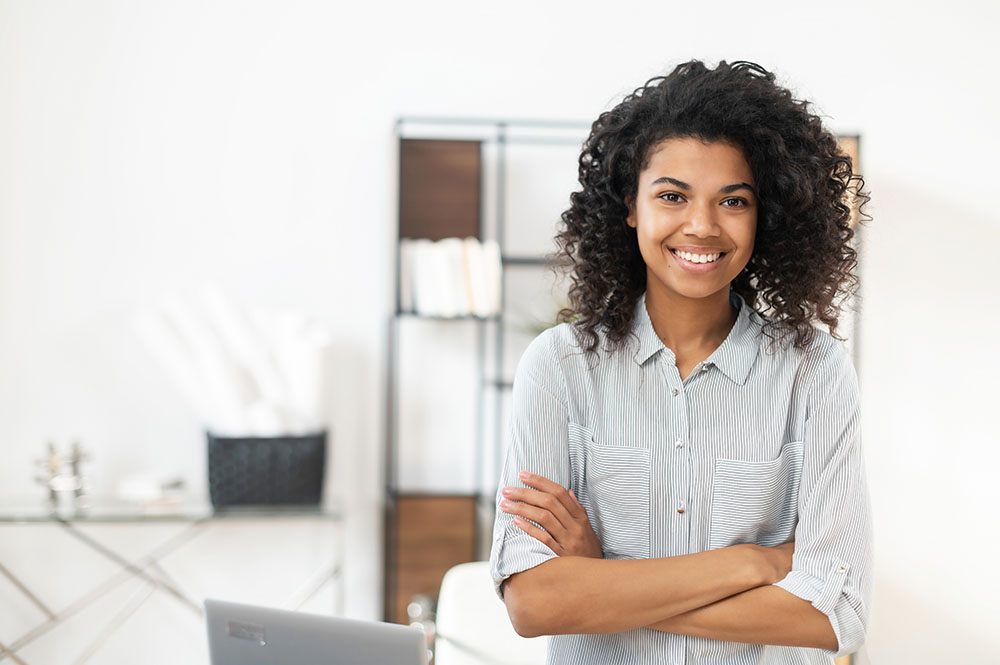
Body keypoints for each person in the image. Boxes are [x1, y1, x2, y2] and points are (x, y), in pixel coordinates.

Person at [489, 60, 873, 665]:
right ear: (631, 206)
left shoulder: (814, 371)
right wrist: (755, 563)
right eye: (672, 195)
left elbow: (835, 614)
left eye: (733, 200)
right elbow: (535, 603)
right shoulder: (560, 367)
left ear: (762, 215)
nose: (702, 225)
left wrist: (600, 581)